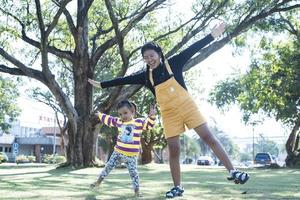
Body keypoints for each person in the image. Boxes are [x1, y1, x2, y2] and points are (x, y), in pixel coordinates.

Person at [88, 23, 249, 198]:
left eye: (152, 55)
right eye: (145, 57)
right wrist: (102, 84)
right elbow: (123, 79)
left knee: (208, 137)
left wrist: (212, 36)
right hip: (169, 113)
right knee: (173, 148)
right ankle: (177, 187)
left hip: (187, 107)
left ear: (159, 54)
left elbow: (193, 48)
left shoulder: (173, 63)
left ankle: (233, 171)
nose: (149, 59)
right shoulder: (145, 76)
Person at [90, 100, 157, 197]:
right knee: (107, 167)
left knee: (134, 174)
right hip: (118, 152)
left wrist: (152, 116)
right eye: (120, 114)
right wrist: (100, 115)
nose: (123, 116)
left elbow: (149, 125)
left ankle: (137, 192)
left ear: (132, 112)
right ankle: (98, 182)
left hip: (131, 156)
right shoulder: (119, 122)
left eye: (125, 113)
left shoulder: (138, 122)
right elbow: (110, 119)